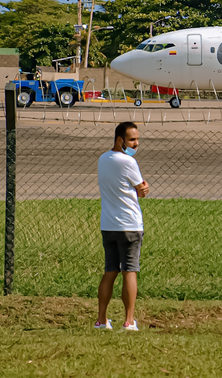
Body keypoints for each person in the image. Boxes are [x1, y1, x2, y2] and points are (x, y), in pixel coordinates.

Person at [95, 122, 149, 332]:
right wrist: (142, 189)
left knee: (110, 271)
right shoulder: (128, 162)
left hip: (109, 224)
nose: (136, 144)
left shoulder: (103, 159)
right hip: (129, 225)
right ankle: (128, 320)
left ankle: (101, 319)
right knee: (130, 271)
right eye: (132, 140)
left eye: (137, 140)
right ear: (120, 140)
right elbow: (141, 188)